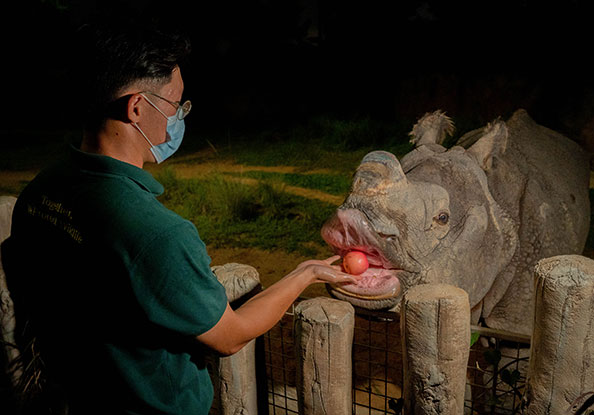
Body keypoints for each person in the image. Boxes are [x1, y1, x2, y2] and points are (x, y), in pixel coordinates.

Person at [0, 18, 359, 415]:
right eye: (175, 104)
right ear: (137, 107)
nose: (180, 115)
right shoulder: (158, 234)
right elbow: (230, 336)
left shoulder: (42, 191)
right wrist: (304, 274)